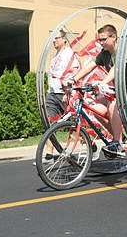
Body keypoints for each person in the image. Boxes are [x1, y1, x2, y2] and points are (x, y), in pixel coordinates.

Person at [70, 24, 127, 158]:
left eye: (103, 39)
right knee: (97, 109)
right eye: (99, 40)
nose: (101, 42)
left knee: (113, 103)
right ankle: (119, 136)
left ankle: (117, 144)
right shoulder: (104, 54)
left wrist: (103, 82)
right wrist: (73, 79)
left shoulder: (124, 51)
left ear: (114, 37)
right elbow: (90, 66)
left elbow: (116, 69)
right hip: (119, 88)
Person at [40, 29, 80, 163]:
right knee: (49, 122)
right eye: (53, 39)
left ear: (64, 39)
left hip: (65, 93)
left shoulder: (69, 54)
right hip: (53, 93)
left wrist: (68, 90)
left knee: (74, 123)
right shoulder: (54, 56)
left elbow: (74, 72)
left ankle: (90, 144)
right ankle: (49, 154)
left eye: (56, 38)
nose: (54, 41)